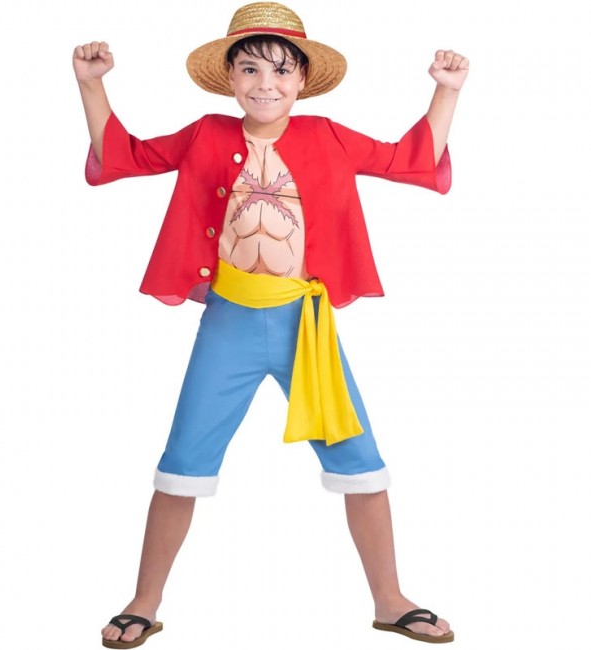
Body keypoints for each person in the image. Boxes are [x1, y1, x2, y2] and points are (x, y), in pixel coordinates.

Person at [73, 2, 468, 646]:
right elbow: (123, 155)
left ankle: (391, 599)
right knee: (183, 461)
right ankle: (144, 600)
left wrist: (446, 91)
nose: (265, 83)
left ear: (302, 80)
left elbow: (411, 160)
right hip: (227, 326)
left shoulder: (328, 135)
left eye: (282, 71)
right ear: (230, 77)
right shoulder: (205, 134)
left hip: (303, 328)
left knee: (360, 459)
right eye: (251, 69)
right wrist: (91, 84)